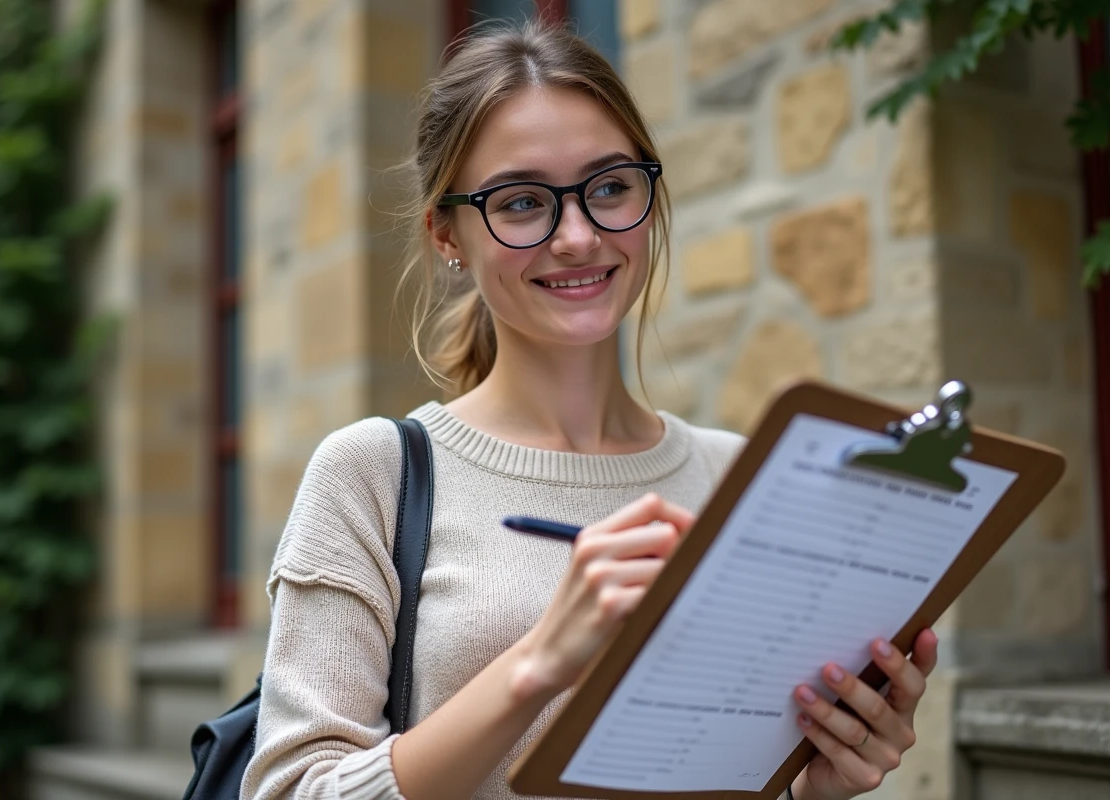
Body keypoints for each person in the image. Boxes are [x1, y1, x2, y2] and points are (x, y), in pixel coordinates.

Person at [240, 19, 937, 800]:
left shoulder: (741, 472)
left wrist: (823, 783)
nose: (577, 236)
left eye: (609, 187)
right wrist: (538, 664)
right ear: (447, 234)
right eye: (522, 201)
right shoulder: (373, 475)